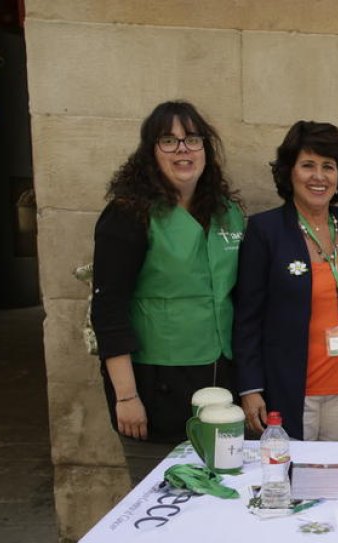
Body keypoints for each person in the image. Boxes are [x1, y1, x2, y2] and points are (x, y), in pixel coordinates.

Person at [91, 100, 245, 483]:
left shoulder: (228, 213)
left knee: (225, 491)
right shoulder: (128, 215)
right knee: (161, 495)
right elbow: (108, 310)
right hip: (156, 383)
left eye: (192, 139)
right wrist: (126, 396)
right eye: (169, 141)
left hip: (221, 376)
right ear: (150, 152)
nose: (183, 150)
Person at [233, 121, 338, 441]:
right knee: (290, 484)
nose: (318, 176)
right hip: (290, 393)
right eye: (308, 165)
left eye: (328, 166)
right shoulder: (266, 231)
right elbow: (247, 317)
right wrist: (250, 388)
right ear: (290, 171)